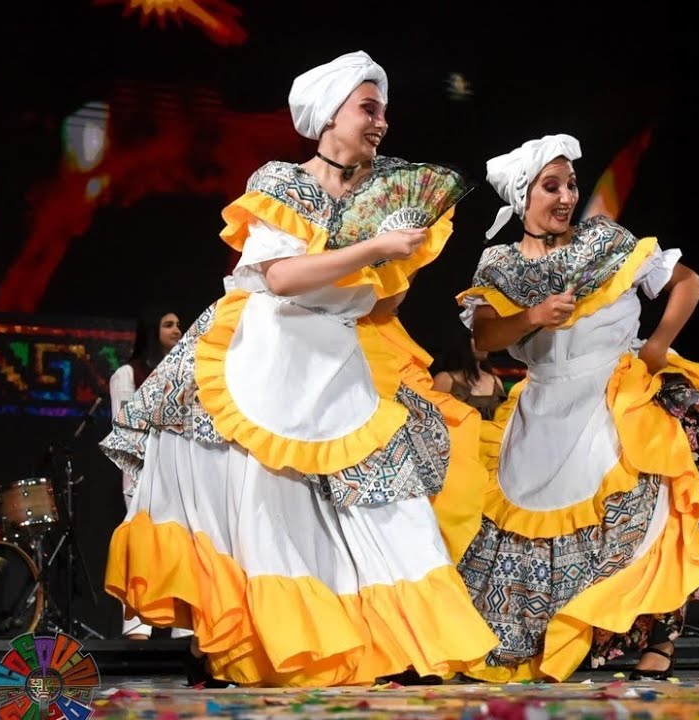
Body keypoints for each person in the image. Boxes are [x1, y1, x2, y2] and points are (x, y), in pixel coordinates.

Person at [99, 50, 497, 687]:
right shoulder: (283, 183)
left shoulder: (384, 194)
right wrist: (374, 246)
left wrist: (405, 259)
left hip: (337, 357)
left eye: (384, 112)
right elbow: (279, 276)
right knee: (265, 504)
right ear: (329, 115)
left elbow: (382, 304)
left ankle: (401, 645)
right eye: (368, 108)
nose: (381, 123)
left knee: (386, 499)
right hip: (269, 354)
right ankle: (267, 643)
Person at [455, 133, 699, 682]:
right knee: (540, 526)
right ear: (523, 197)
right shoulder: (499, 265)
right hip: (546, 407)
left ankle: (662, 638)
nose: (566, 197)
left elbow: (683, 283)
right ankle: (561, 633)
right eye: (551, 186)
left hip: (620, 393)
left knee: (656, 514)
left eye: (570, 185)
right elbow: (485, 338)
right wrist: (534, 317)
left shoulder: (605, 241)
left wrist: (656, 347)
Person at [108, 307, 187, 640]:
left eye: (179, 325)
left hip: (181, 471)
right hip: (143, 471)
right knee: (144, 542)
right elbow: (125, 428)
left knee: (182, 542)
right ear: (151, 331)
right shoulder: (128, 374)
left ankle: (184, 627)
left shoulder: (188, 372)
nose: (177, 330)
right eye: (168, 324)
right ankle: (137, 626)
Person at [432, 334, 507, 421]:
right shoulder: (445, 379)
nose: (484, 343)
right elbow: (431, 418)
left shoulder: (496, 382)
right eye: (476, 338)